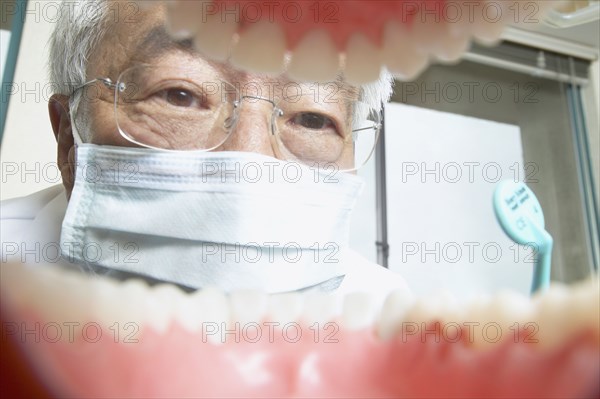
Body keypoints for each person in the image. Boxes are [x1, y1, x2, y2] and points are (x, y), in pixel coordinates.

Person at [1, 0, 409, 303]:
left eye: (313, 119)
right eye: (180, 94)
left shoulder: (383, 319)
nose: (251, 165)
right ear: (68, 135)